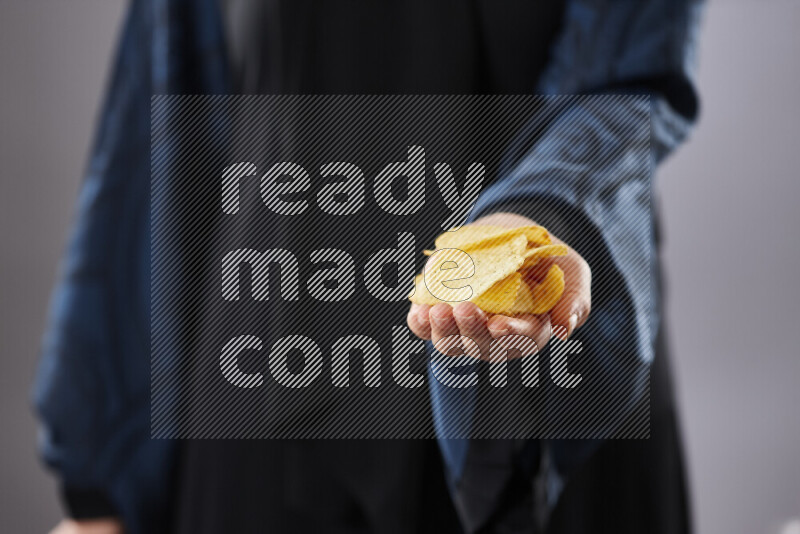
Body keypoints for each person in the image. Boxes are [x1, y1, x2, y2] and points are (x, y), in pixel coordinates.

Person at [36, 0, 703, 533]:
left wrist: (529, 225)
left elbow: (631, 75)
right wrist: (101, 477)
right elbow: (166, 100)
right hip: (261, 381)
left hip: (544, 345)